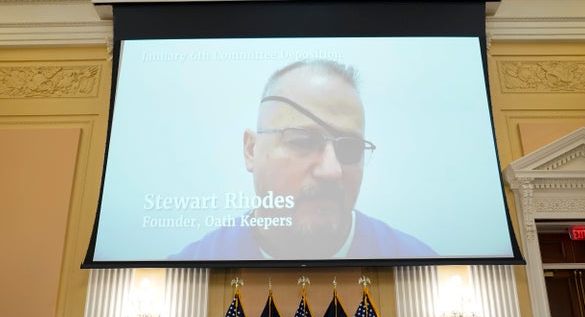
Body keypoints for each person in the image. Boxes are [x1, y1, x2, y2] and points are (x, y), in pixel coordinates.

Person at [170, 59, 436, 260]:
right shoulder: (192, 265)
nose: (332, 171)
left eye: (350, 148)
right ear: (251, 150)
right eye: (302, 141)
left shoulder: (417, 263)